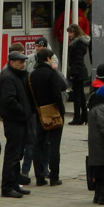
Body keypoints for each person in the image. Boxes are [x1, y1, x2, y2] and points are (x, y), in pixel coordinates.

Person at [28, 47, 67, 186]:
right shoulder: (51, 73)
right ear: (48, 59)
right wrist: (62, 112)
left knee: (38, 144)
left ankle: (39, 176)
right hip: (53, 112)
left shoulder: (32, 75)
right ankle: (54, 176)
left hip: (39, 112)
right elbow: (59, 92)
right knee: (54, 145)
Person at [0, 50, 32, 198]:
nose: (23, 65)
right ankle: (7, 187)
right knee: (12, 154)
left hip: (19, 120)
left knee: (17, 154)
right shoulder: (8, 77)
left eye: (24, 62)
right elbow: (9, 100)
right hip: (14, 120)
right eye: (20, 62)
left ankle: (14, 183)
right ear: (12, 63)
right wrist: (23, 112)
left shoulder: (17, 76)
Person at [67, 24, 91, 125]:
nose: (69, 35)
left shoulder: (78, 44)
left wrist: (73, 72)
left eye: (71, 32)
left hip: (77, 71)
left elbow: (77, 60)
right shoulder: (80, 43)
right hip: (80, 71)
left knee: (77, 96)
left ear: (75, 32)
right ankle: (84, 116)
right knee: (80, 95)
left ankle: (77, 117)